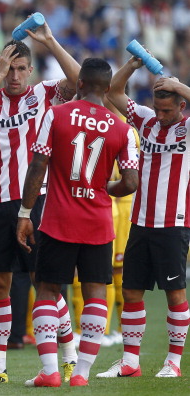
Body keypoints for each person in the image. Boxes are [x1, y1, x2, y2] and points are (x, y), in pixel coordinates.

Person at [0, 22, 81, 385]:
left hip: (38, 199)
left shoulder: (45, 93)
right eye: (8, 68)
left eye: (19, 69)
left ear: (30, 70)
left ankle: (69, 357)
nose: (13, 75)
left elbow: (79, 82)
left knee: (44, 283)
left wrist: (50, 41)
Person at [16, 57, 139, 387]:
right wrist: (103, 189)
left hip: (58, 218)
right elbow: (130, 182)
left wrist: (25, 213)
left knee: (47, 290)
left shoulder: (55, 115)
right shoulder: (123, 129)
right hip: (99, 220)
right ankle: (81, 374)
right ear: (109, 88)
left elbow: (38, 165)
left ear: (79, 83)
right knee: (96, 293)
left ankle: (50, 371)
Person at [96, 52, 190, 379]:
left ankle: (173, 362)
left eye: (169, 110)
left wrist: (180, 84)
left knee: (175, 294)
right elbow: (113, 93)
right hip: (141, 222)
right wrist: (133, 66)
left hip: (174, 224)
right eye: (159, 108)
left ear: (182, 107)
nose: (162, 115)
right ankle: (130, 361)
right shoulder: (147, 120)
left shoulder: (188, 129)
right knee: (131, 291)